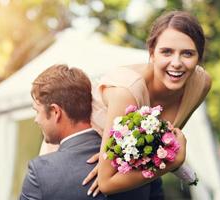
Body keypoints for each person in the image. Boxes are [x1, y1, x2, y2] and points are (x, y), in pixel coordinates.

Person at [40, 10, 211, 199]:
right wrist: (172, 162)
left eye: (187, 53)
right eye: (166, 52)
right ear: (152, 53)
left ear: (199, 58)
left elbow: (165, 140)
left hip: (128, 166)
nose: (177, 63)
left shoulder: (201, 84)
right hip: (81, 162)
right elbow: (106, 183)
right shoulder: (127, 90)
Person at [20, 64, 186, 200]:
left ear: (56, 112)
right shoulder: (139, 158)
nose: (37, 120)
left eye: (37, 111)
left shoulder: (40, 171)